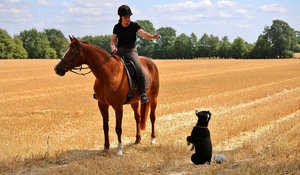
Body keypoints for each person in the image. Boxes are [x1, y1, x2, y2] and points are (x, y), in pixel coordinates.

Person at [110, 5, 159, 104]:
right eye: (125, 17)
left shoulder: (134, 26)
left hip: (131, 51)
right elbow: (112, 42)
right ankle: (101, 91)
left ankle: (143, 94)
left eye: (128, 17)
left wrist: (152, 36)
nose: (127, 19)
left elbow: (144, 34)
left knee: (139, 68)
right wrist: (113, 47)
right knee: (107, 67)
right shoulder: (117, 27)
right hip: (119, 51)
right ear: (120, 17)